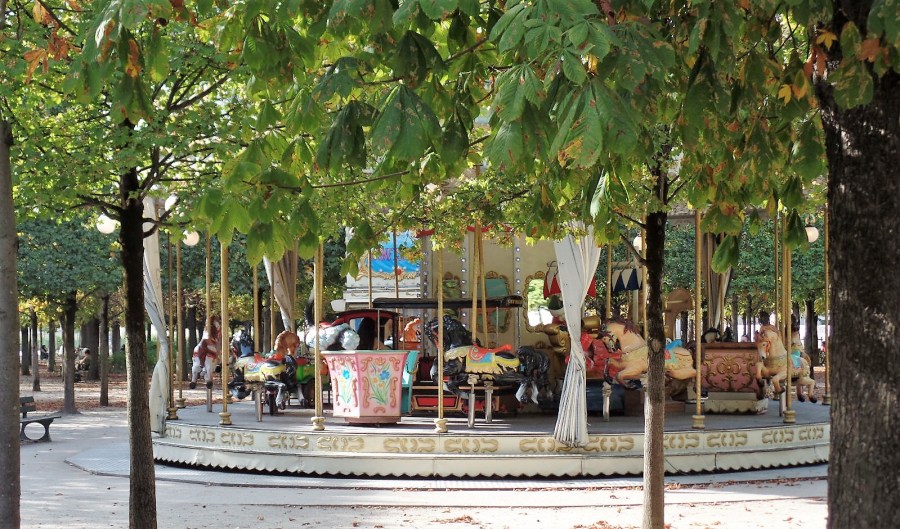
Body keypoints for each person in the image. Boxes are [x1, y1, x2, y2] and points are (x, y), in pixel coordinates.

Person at [191, 316, 221, 389]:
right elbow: (218, 342)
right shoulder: (217, 328)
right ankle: (209, 379)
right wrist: (218, 352)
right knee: (214, 359)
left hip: (201, 346)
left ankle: (194, 380)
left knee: (196, 362)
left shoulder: (206, 328)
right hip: (211, 345)